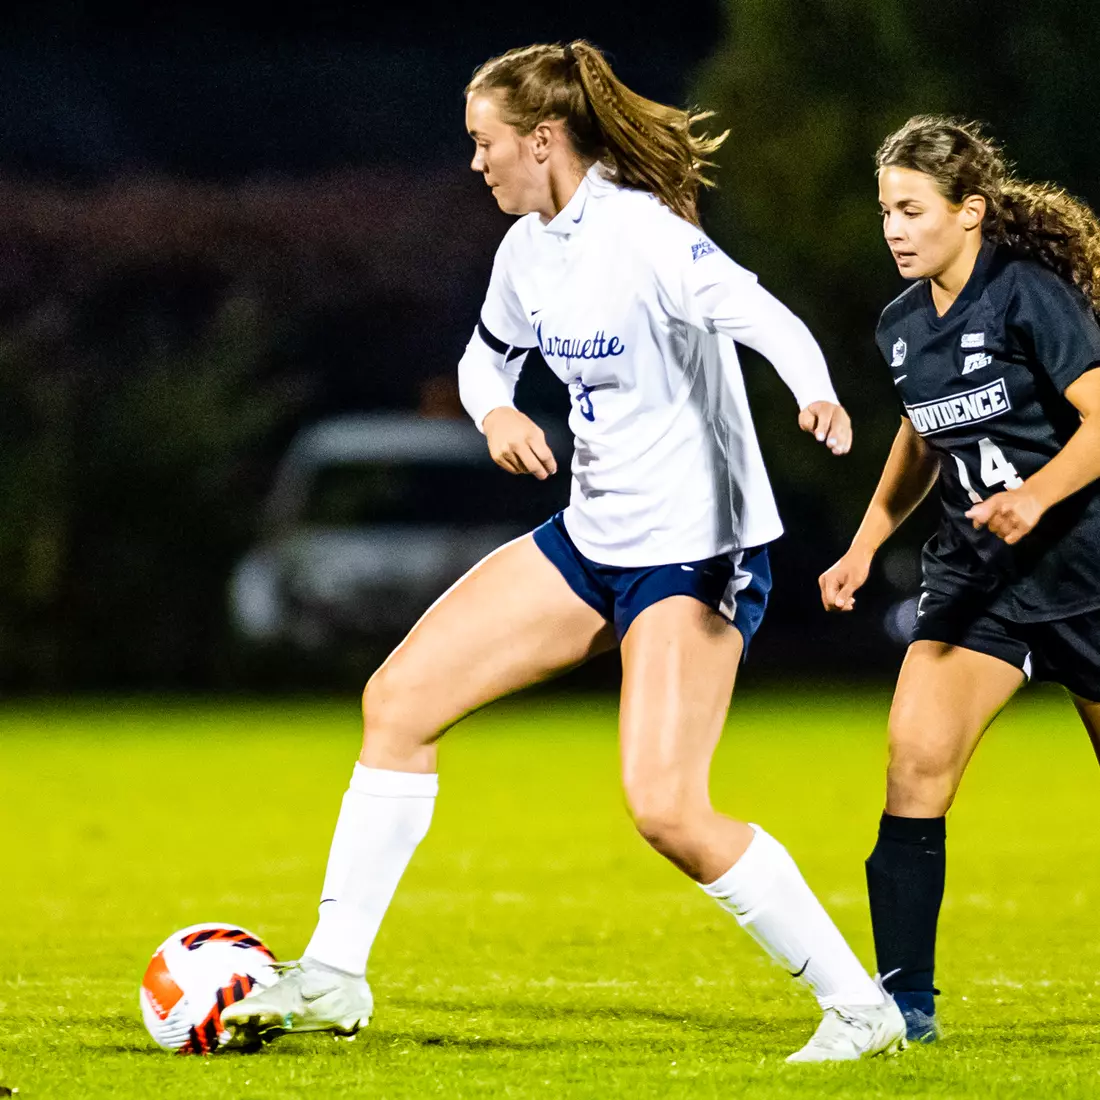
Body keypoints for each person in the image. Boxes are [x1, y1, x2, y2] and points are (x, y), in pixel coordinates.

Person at [224, 40, 905, 1062]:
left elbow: (761, 315)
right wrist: (493, 410)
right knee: (397, 702)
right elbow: (481, 357)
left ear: (542, 139)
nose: (473, 162)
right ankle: (333, 972)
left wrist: (812, 389)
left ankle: (862, 1008)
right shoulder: (526, 249)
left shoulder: (643, 237)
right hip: (592, 541)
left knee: (667, 806)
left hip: (695, 552)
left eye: (483, 142)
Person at [819, 115, 1100, 1044]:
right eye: (885, 212)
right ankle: (903, 1010)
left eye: (912, 210)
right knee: (913, 765)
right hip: (977, 581)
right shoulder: (902, 324)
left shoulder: (1029, 295)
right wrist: (865, 544)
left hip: (1083, 571)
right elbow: (920, 434)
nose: (894, 229)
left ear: (969, 211)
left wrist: (1037, 495)